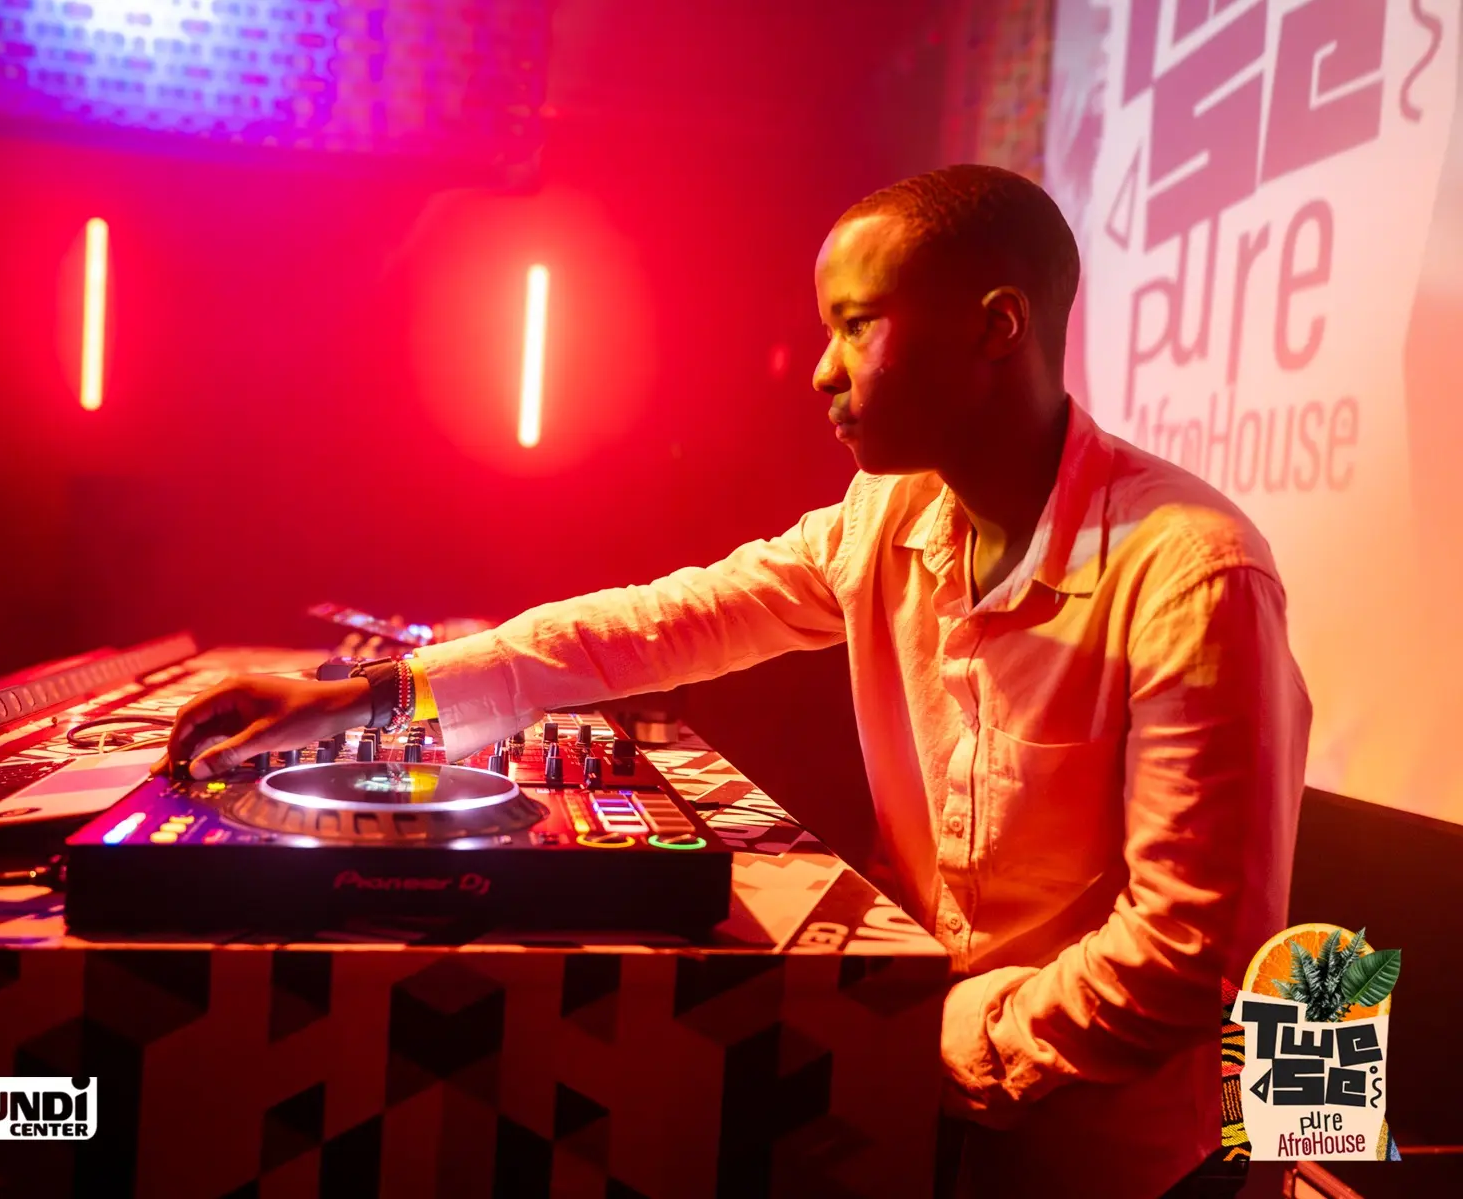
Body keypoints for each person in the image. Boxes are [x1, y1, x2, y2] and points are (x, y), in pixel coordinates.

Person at [160, 165, 1310, 1198]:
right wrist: (376, 695)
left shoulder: (1192, 573)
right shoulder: (885, 516)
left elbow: (1189, 957)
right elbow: (658, 623)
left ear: (996, 326)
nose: (820, 371)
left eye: (855, 326)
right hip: (911, 1095)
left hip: (1113, 1159)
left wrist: (923, 1040)